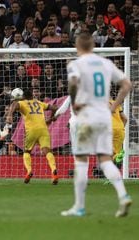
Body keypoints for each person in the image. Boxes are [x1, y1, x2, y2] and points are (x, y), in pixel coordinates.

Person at [61, 33, 132, 217]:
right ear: (93, 45)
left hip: (86, 116)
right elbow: (127, 85)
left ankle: (79, 206)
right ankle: (123, 195)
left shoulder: (76, 65)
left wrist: (75, 101)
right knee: (105, 159)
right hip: (104, 117)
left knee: (82, 161)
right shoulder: (105, 63)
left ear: (78, 46)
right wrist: (115, 106)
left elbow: (74, 82)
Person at [6, 88, 59, 185]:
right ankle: (54, 170)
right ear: (32, 96)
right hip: (43, 130)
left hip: (31, 131)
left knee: (27, 152)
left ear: (24, 97)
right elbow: (55, 107)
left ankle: (29, 171)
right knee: (47, 151)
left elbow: (15, 104)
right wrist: (52, 118)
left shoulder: (23, 103)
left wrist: (10, 115)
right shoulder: (39, 103)